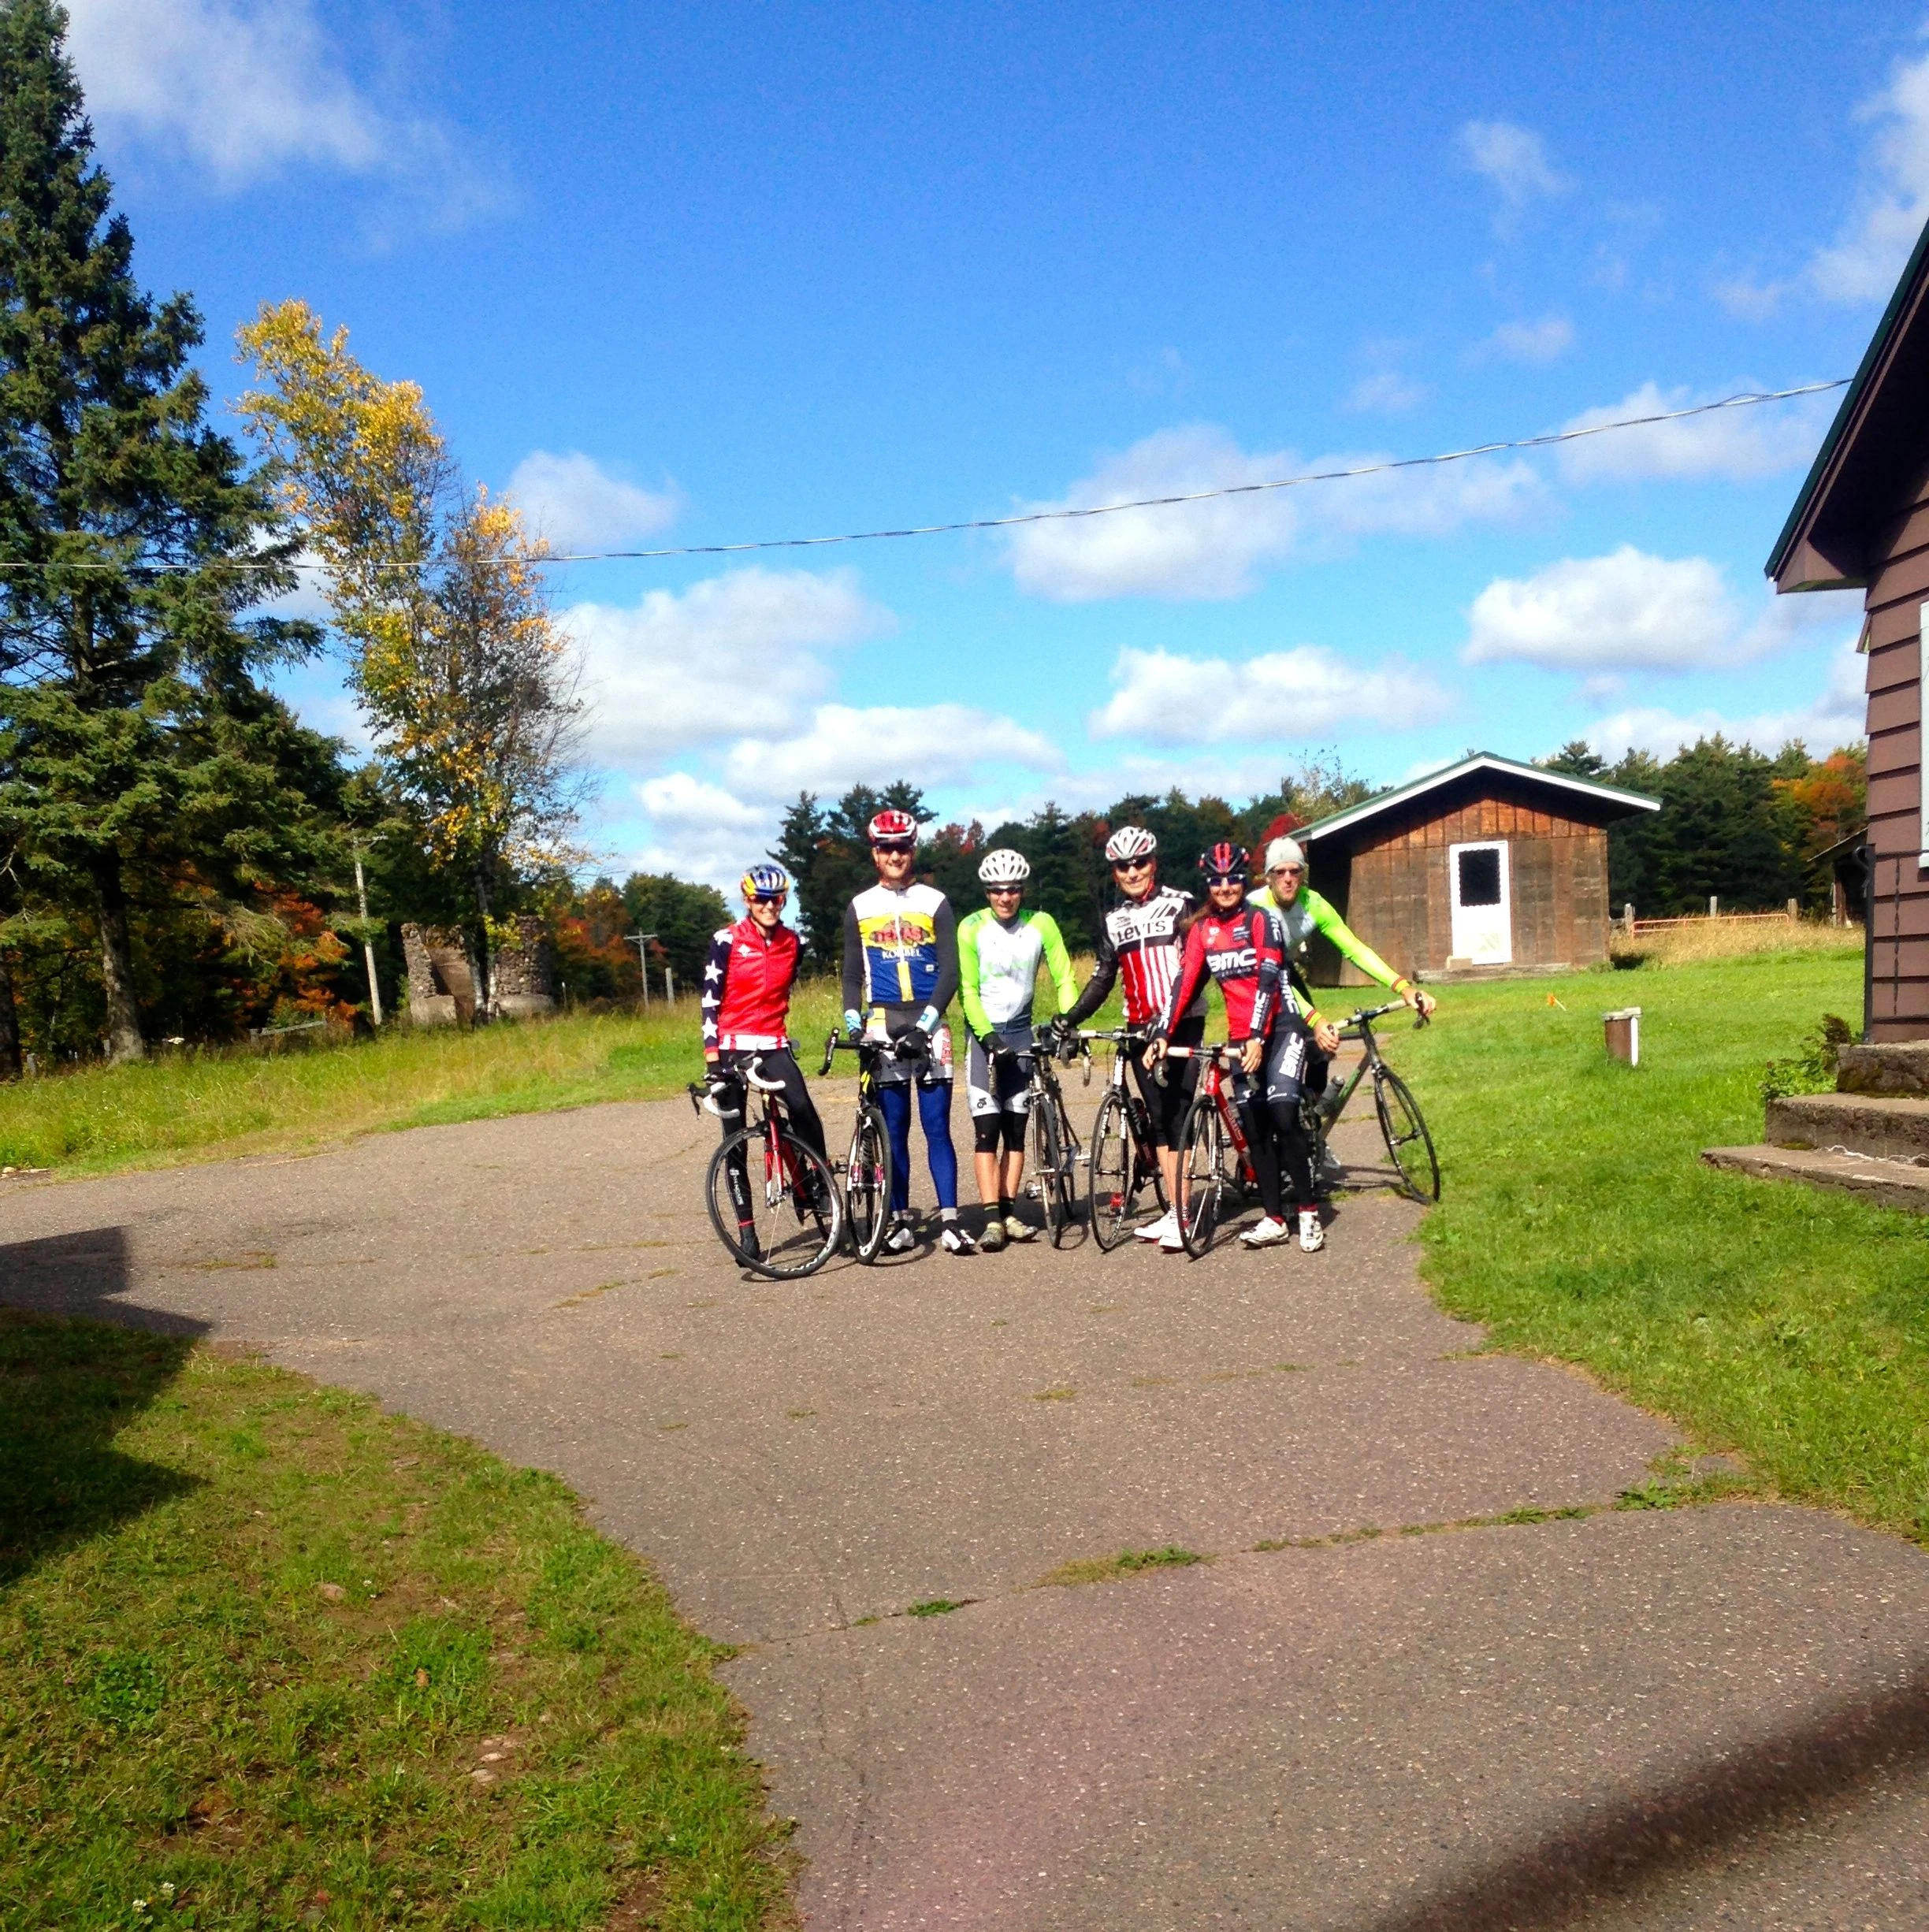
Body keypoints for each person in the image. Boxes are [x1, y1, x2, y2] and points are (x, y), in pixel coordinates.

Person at [1150, 841, 1323, 1253]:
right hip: (1241, 1035)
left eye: (1233, 880)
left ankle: (1308, 1212)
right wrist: (1162, 1033)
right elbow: (1185, 984)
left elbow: (1268, 981)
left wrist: (1258, 1037)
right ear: (1208, 885)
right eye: (1217, 881)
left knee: (1282, 1114)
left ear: (1245, 881)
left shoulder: (1261, 920)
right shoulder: (1202, 931)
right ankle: (1274, 1218)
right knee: (1255, 1126)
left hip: (1280, 1027)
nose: (1225, 887)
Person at [1061, 825, 1202, 1251]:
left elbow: (1195, 969)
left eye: (1140, 863)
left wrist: (1169, 1020)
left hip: (1181, 1024)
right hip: (1139, 1029)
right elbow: (1103, 977)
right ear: (1115, 873)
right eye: (1124, 867)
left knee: (1178, 1117)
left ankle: (1184, 1214)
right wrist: (1069, 1018)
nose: (1133, 872)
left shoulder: (1180, 904)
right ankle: (1175, 1211)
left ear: (1153, 864)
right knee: (1159, 1120)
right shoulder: (1114, 920)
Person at [841, 808, 974, 1255]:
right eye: (886, 849)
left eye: (902, 847)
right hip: (882, 1019)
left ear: (912, 850)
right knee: (893, 1131)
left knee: (937, 1127)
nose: (895, 856)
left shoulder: (935, 901)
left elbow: (951, 972)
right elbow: (852, 975)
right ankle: (899, 1222)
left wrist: (926, 1025)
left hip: (929, 1022)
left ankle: (951, 1221)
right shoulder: (860, 906)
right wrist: (854, 1023)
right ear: (875, 854)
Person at [700, 863, 829, 1260]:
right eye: (761, 899)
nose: (770, 906)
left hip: (772, 1041)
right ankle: (747, 1230)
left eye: (777, 899)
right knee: (734, 1137)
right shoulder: (726, 940)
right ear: (747, 900)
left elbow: (785, 988)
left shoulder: (794, 942)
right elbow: (709, 1002)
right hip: (731, 1045)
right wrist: (713, 1058)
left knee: (803, 1108)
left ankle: (817, 1181)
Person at [957, 848, 1078, 1250]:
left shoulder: (1041, 924)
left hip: (1023, 1034)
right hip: (985, 1039)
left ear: (1022, 890)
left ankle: (1008, 1214)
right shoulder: (971, 927)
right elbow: (968, 990)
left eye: (1012, 889)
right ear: (987, 892)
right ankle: (991, 1220)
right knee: (986, 1131)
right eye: (997, 890)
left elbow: (1064, 977)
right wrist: (988, 1037)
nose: (1005, 897)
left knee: (1015, 1130)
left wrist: (1068, 1022)